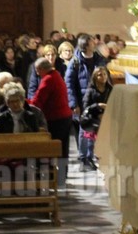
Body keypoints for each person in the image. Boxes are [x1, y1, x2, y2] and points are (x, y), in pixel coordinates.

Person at [29, 57, 74, 188]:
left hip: (56, 119)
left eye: (37, 70)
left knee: (52, 149)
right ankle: (61, 178)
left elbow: (38, 101)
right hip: (65, 117)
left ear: (41, 69)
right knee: (63, 149)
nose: (37, 73)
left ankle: (53, 178)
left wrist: (26, 103)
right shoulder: (56, 76)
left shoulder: (48, 79)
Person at [79, 66, 113, 170]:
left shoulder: (110, 90)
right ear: (95, 77)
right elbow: (86, 106)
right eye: (100, 75)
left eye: (105, 74)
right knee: (91, 142)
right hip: (93, 120)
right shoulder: (91, 91)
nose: (103, 77)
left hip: (106, 119)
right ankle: (88, 159)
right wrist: (98, 106)